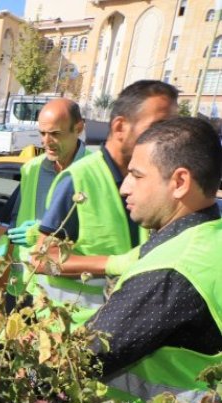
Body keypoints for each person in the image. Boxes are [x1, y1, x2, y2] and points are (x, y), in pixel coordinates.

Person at [87, 117, 222, 403]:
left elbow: (82, 357)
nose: (125, 187)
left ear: (180, 182)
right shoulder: (209, 240)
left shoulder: (173, 270)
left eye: (136, 175)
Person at [30, 80, 178, 313]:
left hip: (124, 326)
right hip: (75, 331)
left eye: (172, 127)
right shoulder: (80, 179)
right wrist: (113, 264)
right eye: (158, 126)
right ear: (120, 127)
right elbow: (41, 259)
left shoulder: (152, 179)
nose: (168, 138)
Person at [1, 98, 89, 298]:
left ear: (79, 128)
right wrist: (6, 239)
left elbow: (98, 237)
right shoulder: (32, 168)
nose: (46, 142)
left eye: (55, 134)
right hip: (24, 284)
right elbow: (17, 218)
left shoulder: (95, 172)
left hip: (63, 294)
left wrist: (42, 234)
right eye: (42, 133)